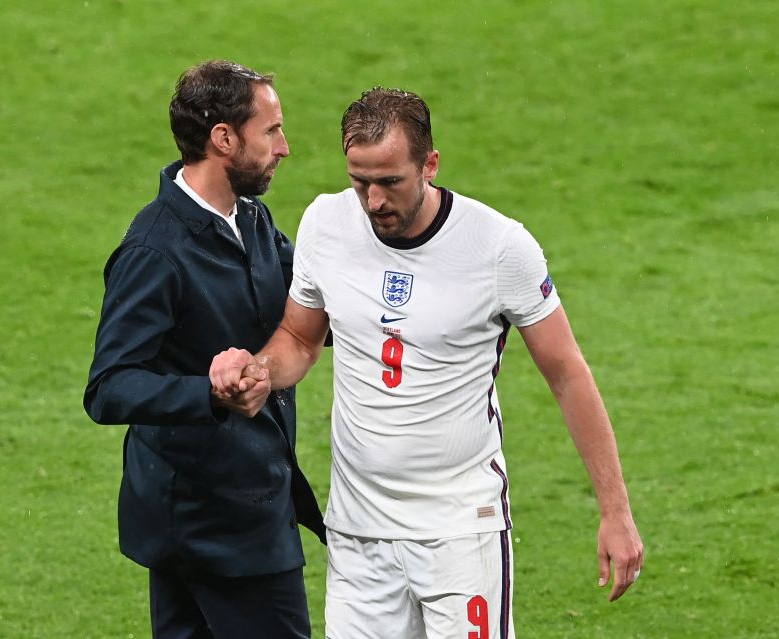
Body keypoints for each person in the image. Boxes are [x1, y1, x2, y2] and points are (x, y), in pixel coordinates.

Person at [210, 87, 644, 639]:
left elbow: (566, 372)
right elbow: (299, 336)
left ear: (430, 165)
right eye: (359, 180)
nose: (372, 201)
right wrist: (262, 371)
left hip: (460, 532)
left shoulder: (499, 247)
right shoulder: (326, 223)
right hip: (359, 530)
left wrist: (615, 510)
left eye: (389, 181)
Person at [83, 60, 325, 639]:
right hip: (217, 525)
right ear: (223, 138)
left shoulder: (252, 219)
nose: (284, 147)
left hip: (222, 509)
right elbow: (108, 386)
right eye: (271, 130)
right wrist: (209, 393)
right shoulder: (155, 251)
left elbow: (310, 314)